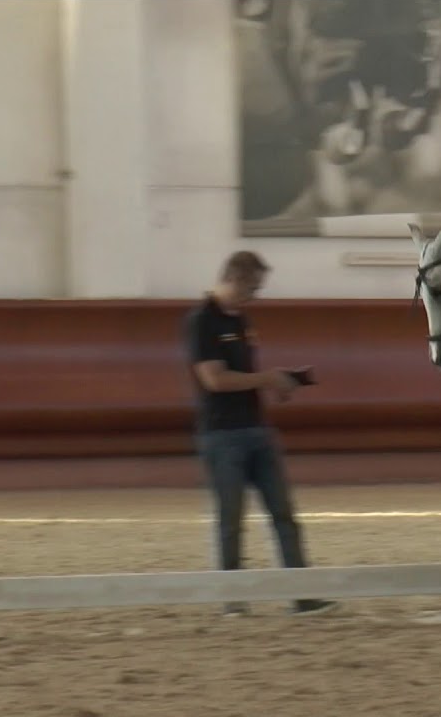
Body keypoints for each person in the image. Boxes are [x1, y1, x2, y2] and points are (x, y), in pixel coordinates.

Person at [183, 250, 339, 617]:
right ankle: (233, 601)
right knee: (231, 520)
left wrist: (277, 382)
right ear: (234, 278)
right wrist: (267, 379)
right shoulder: (200, 321)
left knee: (284, 514)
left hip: (257, 429)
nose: (255, 295)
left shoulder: (242, 321)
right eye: (252, 287)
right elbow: (214, 379)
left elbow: (242, 375)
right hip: (222, 435)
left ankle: (302, 595)